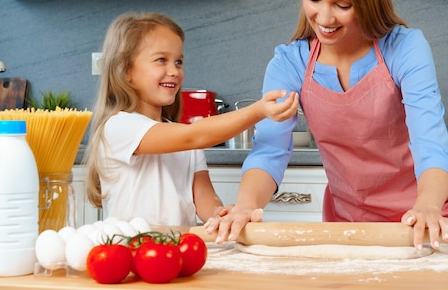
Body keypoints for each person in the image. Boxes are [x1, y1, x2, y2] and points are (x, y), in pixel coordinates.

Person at [205, 0, 448, 249]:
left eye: (342, 4)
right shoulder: (289, 63)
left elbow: (430, 143)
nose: (324, 16)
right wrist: (247, 204)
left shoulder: (404, 48)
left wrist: (429, 207)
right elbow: (270, 150)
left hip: (433, 215)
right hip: (351, 222)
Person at [84, 12, 299, 226]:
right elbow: (194, 135)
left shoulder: (187, 142)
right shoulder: (118, 126)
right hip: (130, 251)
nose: (174, 71)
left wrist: (220, 214)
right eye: (161, 60)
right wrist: (258, 110)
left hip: (179, 252)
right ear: (126, 70)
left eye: (178, 62)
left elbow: (203, 196)